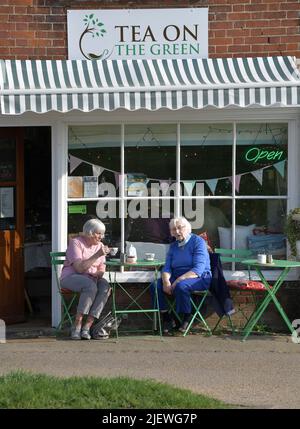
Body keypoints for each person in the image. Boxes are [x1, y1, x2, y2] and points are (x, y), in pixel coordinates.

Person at [151, 217, 212, 334]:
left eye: (180, 228)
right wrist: (166, 282)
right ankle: (167, 317)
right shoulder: (174, 246)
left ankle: (186, 317)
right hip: (177, 277)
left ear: (188, 228)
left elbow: (198, 269)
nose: (177, 232)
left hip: (199, 277)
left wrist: (177, 281)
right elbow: (167, 267)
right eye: (174, 229)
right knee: (155, 285)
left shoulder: (198, 242)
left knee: (181, 286)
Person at [60, 218, 111, 340]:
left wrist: (99, 273)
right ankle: (77, 324)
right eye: (98, 233)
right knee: (90, 286)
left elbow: (102, 266)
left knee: (105, 287)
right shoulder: (76, 243)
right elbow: (79, 268)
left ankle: (87, 326)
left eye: (102, 234)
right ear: (89, 232)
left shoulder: (100, 245)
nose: (101, 237)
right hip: (71, 277)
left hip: (91, 278)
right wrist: (97, 254)